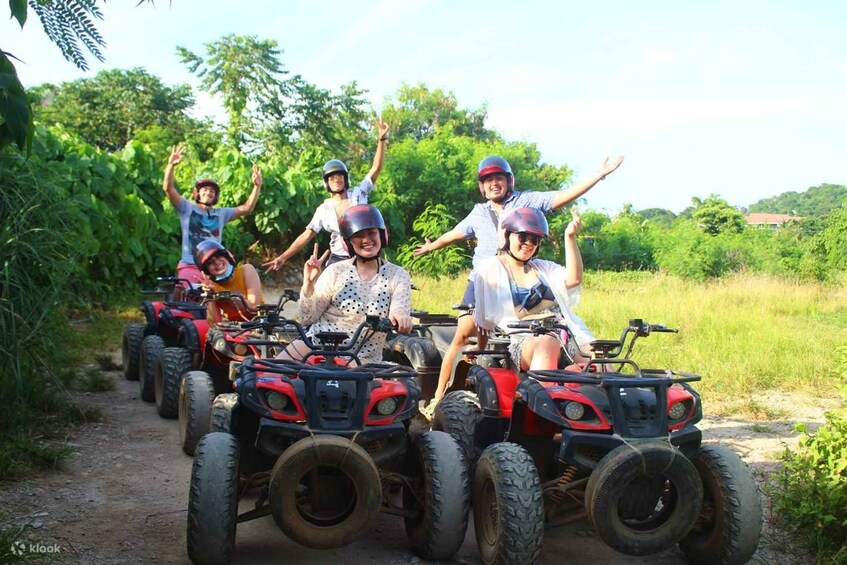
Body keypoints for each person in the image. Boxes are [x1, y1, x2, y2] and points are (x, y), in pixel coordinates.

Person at [414, 155, 623, 405]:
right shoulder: (479, 213)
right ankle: (438, 397)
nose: (494, 183)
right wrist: (431, 247)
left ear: (509, 181)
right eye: (488, 180)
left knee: (597, 361)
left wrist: (599, 174)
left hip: (523, 281)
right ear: (482, 186)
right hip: (485, 281)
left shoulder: (526, 202)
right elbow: (454, 234)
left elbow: (563, 195)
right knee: (464, 337)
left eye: (498, 178)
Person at [279, 205, 413, 366]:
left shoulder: (397, 275)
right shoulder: (335, 271)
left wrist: (401, 319)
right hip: (317, 347)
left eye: (372, 233)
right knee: (267, 377)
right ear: (348, 242)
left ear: (382, 234)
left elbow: (399, 309)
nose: (366, 240)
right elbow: (307, 319)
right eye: (358, 235)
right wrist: (308, 284)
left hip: (361, 358)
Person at [472, 207, 595, 374]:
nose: (528, 243)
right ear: (508, 235)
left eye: (535, 239)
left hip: (566, 336)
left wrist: (570, 236)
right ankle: (543, 394)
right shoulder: (490, 268)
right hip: (524, 341)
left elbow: (574, 279)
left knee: (598, 356)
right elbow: (484, 319)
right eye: (522, 236)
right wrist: (480, 347)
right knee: (546, 343)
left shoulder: (544, 267)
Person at [263, 118, 390, 272]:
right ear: (326, 183)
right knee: (323, 293)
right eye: (332, 178)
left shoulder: (358, 194)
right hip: (339, 258)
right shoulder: (324, 209)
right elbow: (306, 235)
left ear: (345, 179)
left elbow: (376, 168)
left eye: (339, 176)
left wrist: (381, 139)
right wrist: (283, 257)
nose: (336, 180)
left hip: (365, 253)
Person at [164, 144, 263, 285]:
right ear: (197, 193)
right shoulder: (186, 208)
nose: (208, 193)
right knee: (188, 296)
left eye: (212, 191)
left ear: (215, 196)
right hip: (190, 265)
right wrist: (171, 166)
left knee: (222, 298)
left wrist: (257, 186)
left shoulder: (221, 214)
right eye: (204, 189)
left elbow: (247, 208)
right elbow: (168, 188)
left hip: (214, 268)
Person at [193, 240, 264, 309]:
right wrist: (210, 296)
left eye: (218, 256)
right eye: (210, 263)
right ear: (207, 271)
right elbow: (214, 321)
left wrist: (221, 295)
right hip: (229, 321)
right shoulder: (212, 287)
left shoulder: (246, 270)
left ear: (227, 257)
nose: (216, 262)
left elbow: (254, 306)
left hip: (259, 320)